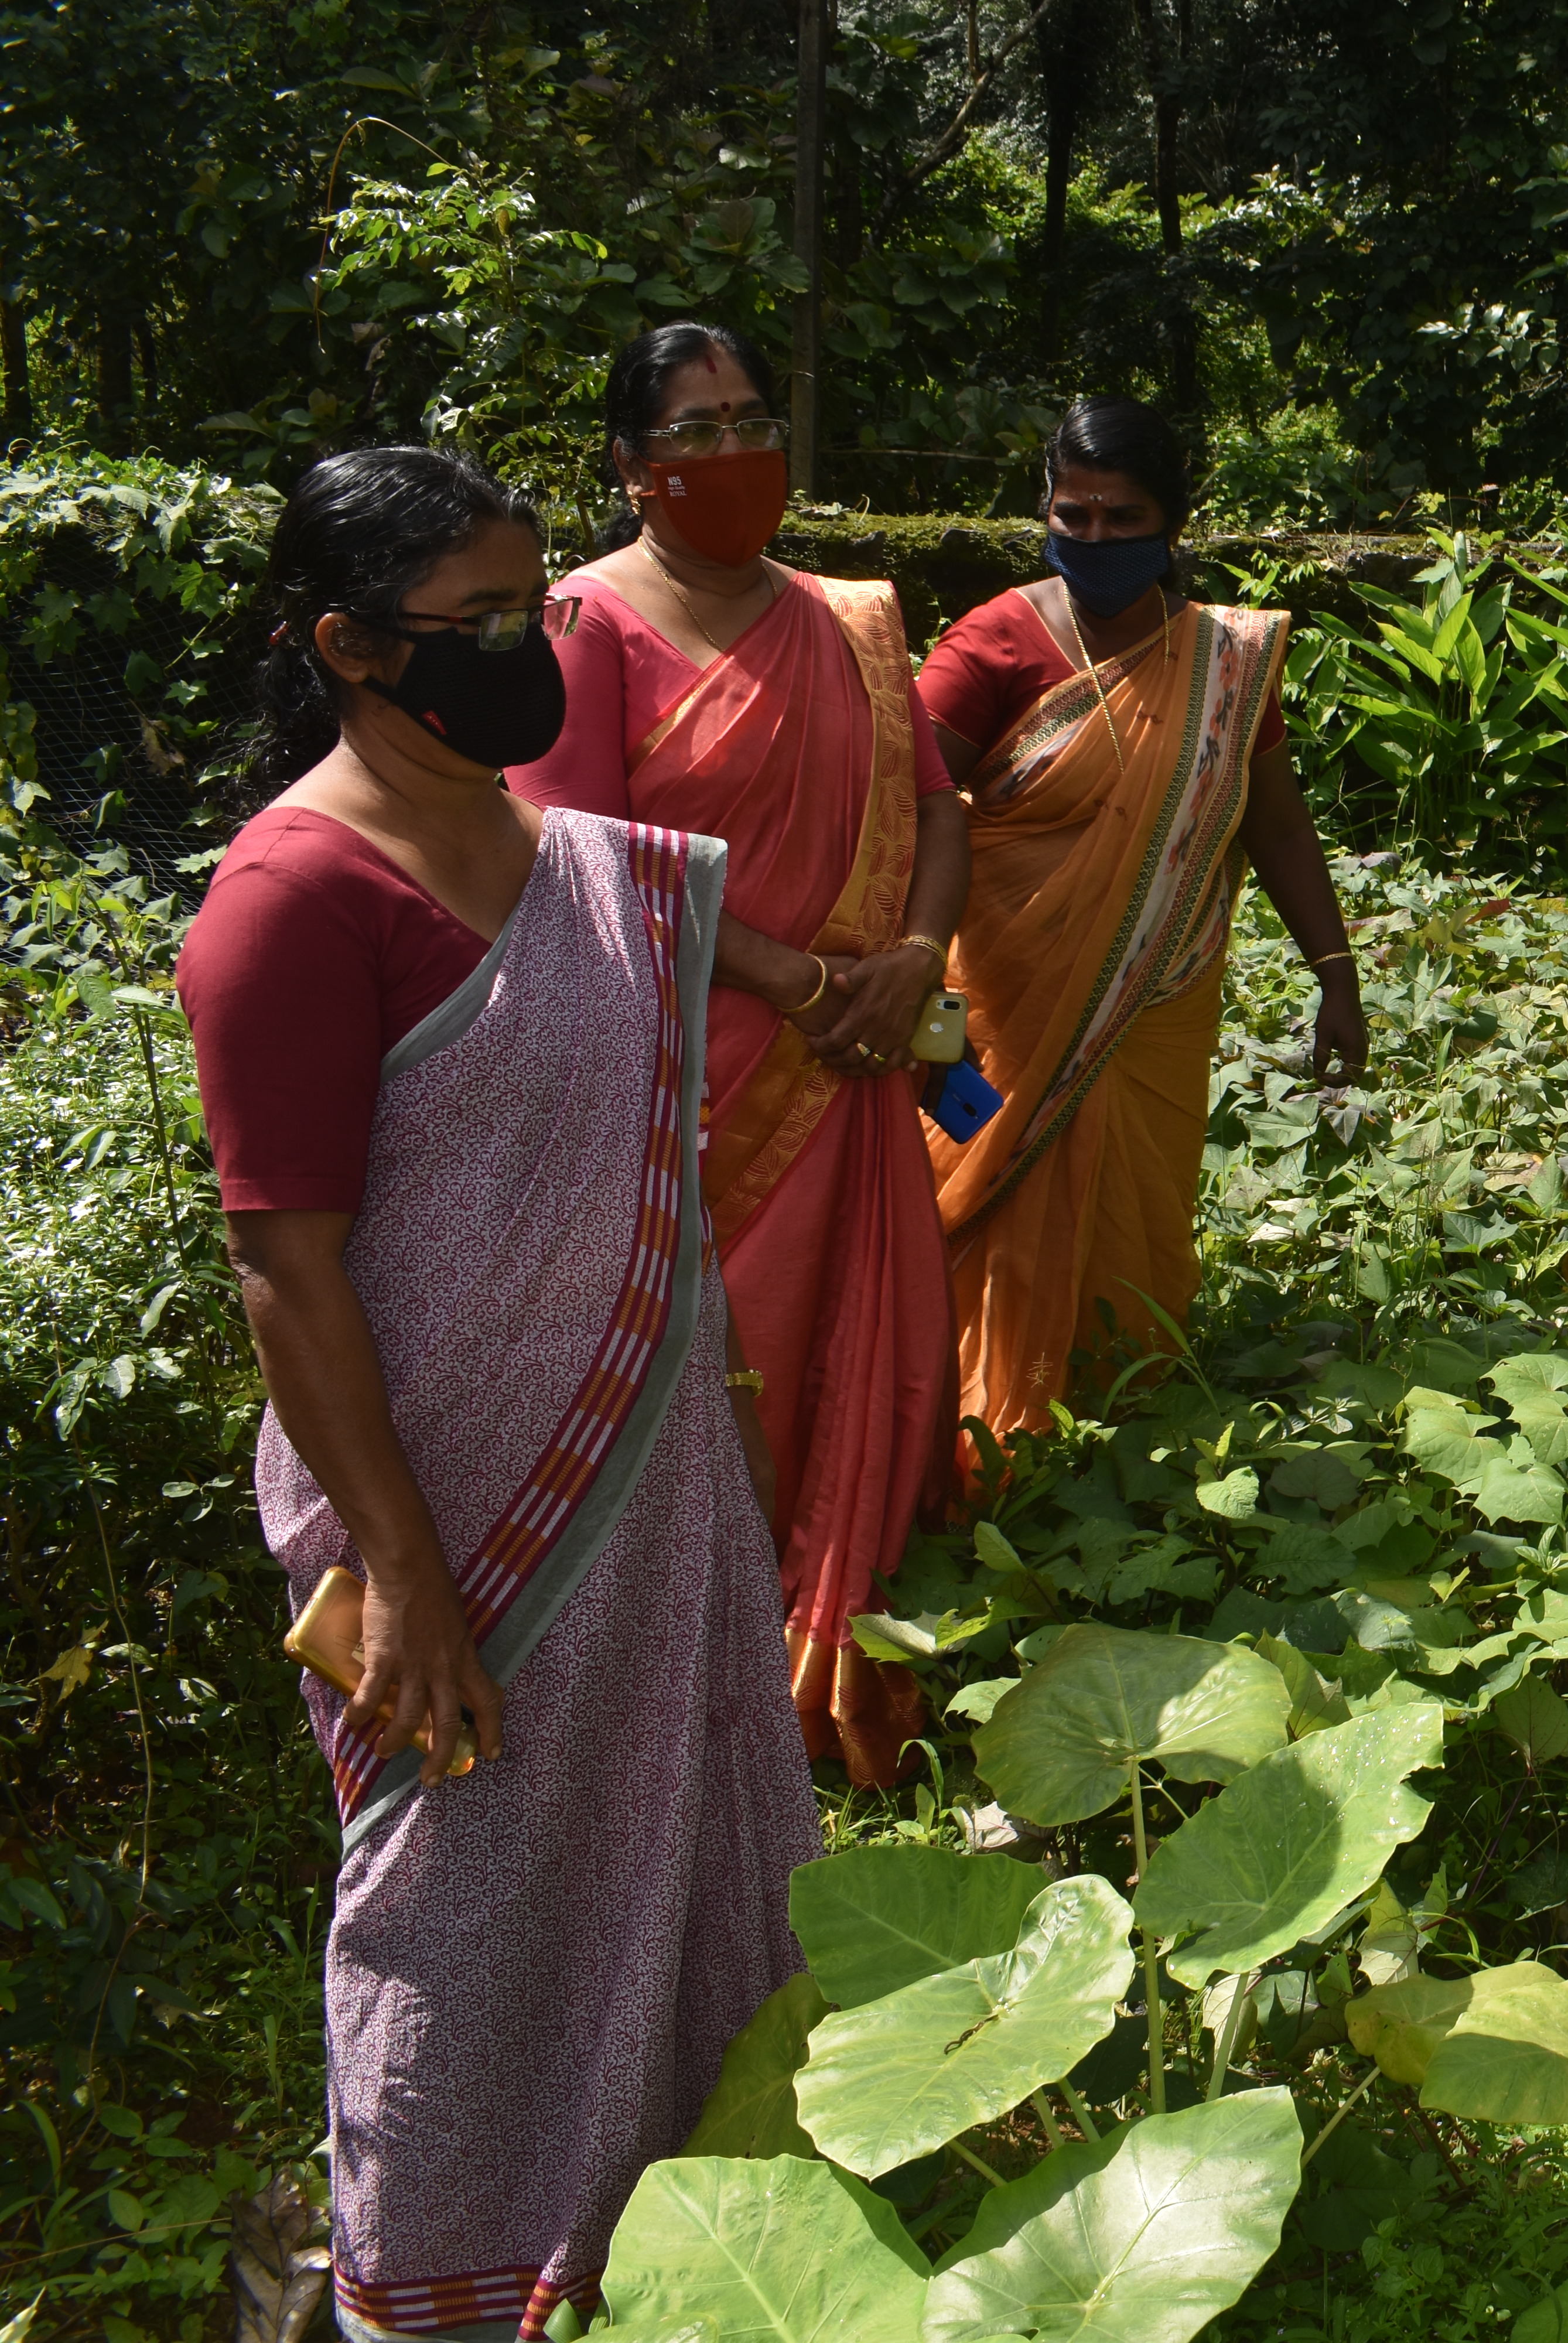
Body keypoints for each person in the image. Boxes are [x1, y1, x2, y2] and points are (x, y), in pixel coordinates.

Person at [176, 446, 817, 2339]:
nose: (527, 651)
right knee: (452, 1912)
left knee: (682, 1844)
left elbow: (691, 1052)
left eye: (535, 606)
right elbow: (284, 1271)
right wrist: (413, 1575)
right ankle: (425, 2290)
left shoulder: (561, 853)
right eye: (475, 627)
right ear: (350, 649)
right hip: (457, 1540)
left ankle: (666, 2263)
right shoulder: (291, 901)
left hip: (650, 1495)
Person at [514, 322, 962, 1785]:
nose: (729, 451)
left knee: (857, 1346)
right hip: (686, 1075)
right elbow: (570, 855)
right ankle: (705, 1675)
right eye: (693, 430)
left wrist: (911, 963)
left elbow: (938, 815)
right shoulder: (583, 628)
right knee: (721, 1375)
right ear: (636, 469)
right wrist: (794, 972)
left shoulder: (851, 619)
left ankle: (853, 1634)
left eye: (751, 417)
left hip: (862, 1049)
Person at [915, 394, 1365, 1434]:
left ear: (1172, 522)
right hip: (1008, 989)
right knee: (987, 1190)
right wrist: (913, 999)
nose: (1097, 540)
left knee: (1136, 1190)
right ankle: (979, 1413)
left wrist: (1336, 975)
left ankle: (1127, 1405)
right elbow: (909, 817)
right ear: (1045, 511)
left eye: (1123, 519)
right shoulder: (996, 641)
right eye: (1074, 517)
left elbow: (1278, 824)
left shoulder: (1227, 660)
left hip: (1159, 993)